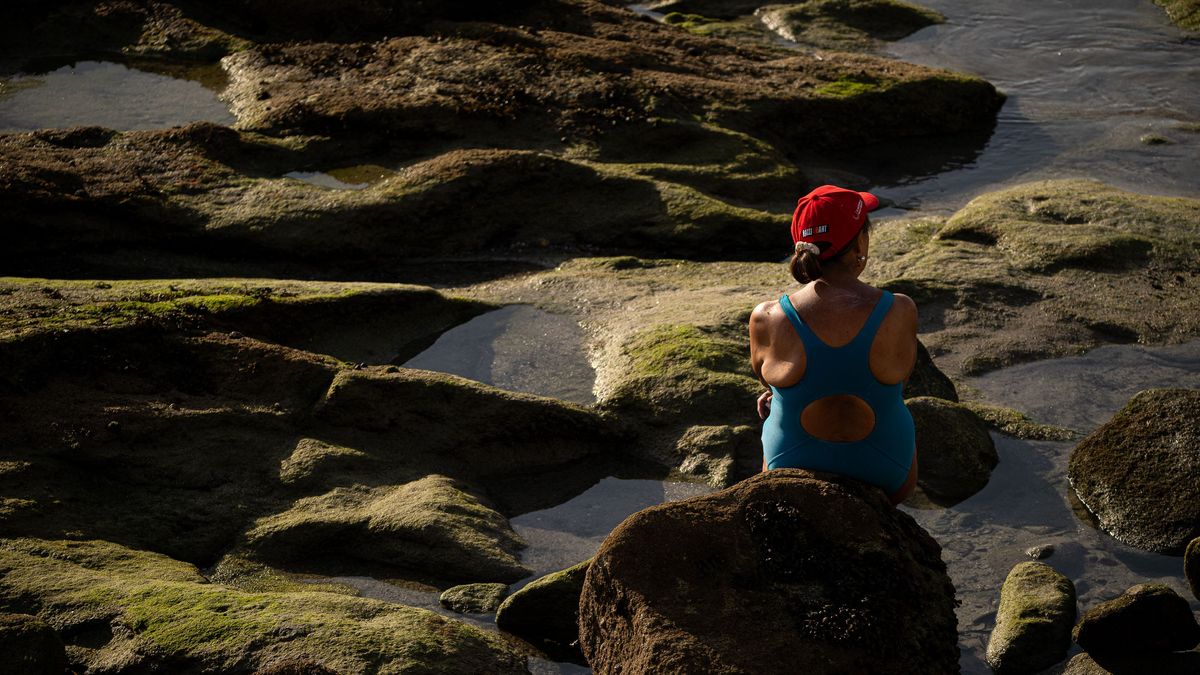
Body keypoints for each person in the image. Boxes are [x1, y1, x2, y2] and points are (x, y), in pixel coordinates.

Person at [749, 185, 918, 505]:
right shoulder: (900, 309)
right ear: (859, 246)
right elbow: (898, 383)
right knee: (895, 403)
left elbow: (767, 379)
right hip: (886, 469)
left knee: (775, 406)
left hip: (790, 462)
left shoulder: (766, 317)